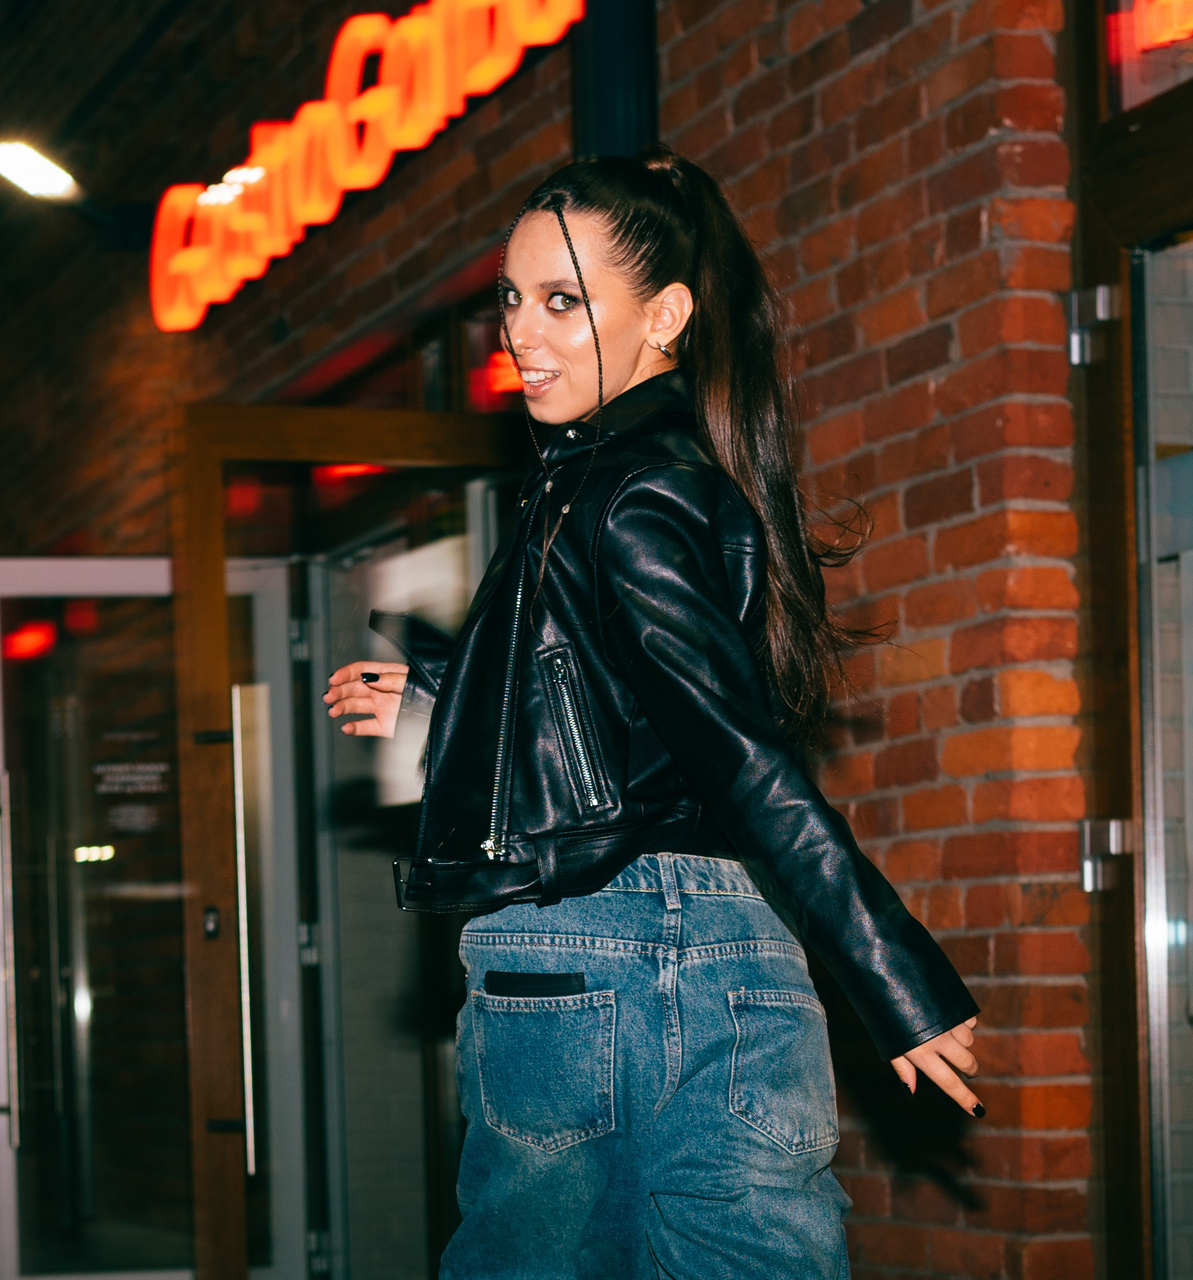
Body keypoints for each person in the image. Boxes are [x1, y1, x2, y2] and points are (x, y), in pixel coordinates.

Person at [320, 145, 981, 1279]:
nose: (520, 333)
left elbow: (736, 752)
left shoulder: (623, 491)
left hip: (583, 949)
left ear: (666, 316)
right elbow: (638, 731)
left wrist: (895, 975)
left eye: (563, 301)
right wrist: (446, 698)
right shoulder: (632, 481)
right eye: (512, 300)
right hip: (733, 940)